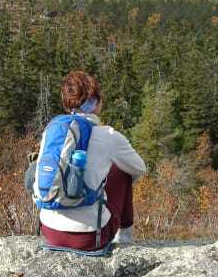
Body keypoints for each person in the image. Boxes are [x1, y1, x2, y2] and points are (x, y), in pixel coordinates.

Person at [37, 70, 146, 252]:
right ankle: (125, 236)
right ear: (96, 102)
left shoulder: (52, 131)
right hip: (89, 238)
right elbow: (139, 168)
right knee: (122, 171)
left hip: (50, 232)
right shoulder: (109, 136)